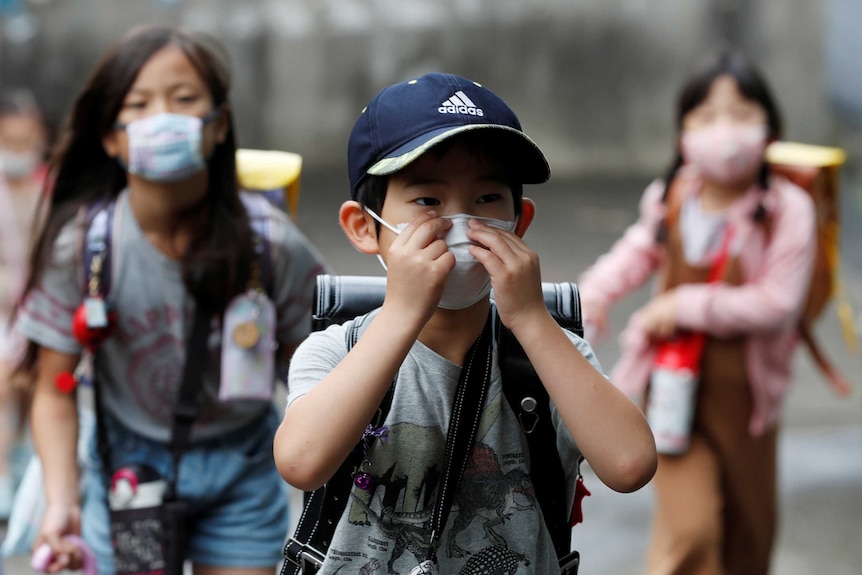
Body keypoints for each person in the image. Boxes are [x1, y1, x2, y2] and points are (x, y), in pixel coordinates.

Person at [274, 72, 657, 574]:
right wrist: (404, 312)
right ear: (364, 227)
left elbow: (630, 466)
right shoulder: (337, 350)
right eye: (428, 201)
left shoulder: (547, 355)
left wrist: (529, 317)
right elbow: (302, 462)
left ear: (519, 223)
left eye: (487, 200)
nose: (461, 224)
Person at [13, 25, 328, 575]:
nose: (162, 116)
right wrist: (62, 501)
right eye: (138, 104)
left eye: (183, 99)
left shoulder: (271, 246)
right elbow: (54, 388)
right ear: (110, 136)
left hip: (243, 470)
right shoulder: (83, 250)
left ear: (219, 124)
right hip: (125, 475)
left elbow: (317, 378)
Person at [577, 51, 817, 575]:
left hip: (748, 404)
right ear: (683, 132)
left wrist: (684, 305)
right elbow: (635, 252)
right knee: (691, 532)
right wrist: (589, 297)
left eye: (741, 113)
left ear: (770, 127)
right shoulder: (674, 194)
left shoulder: (788, 210)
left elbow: (778, 303)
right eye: (707, 116)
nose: (724, 132)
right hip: (671, 392)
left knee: (748, 538)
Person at [0, 87, 50, 519]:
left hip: (40, 307)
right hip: (2, 310)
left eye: (26, 142)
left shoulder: (49, 188)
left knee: (42, 383)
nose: (19, 153)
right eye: (9, 143)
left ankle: (35, 473)